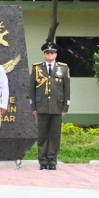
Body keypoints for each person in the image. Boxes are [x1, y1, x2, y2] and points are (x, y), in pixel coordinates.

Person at [29, 42, 71, 170]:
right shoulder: (36, 68)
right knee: (42, 135)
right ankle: (42, 161)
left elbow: (67, 90)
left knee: (54, 135)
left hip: (57, 107)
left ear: (56, 54)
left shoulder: (63, 69)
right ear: (44, 54)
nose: (50, 54)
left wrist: (65, 107)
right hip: (41, 106)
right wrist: (33, 107)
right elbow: (32, 89)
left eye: (52, 52)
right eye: (47, 52)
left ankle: (52, 160)